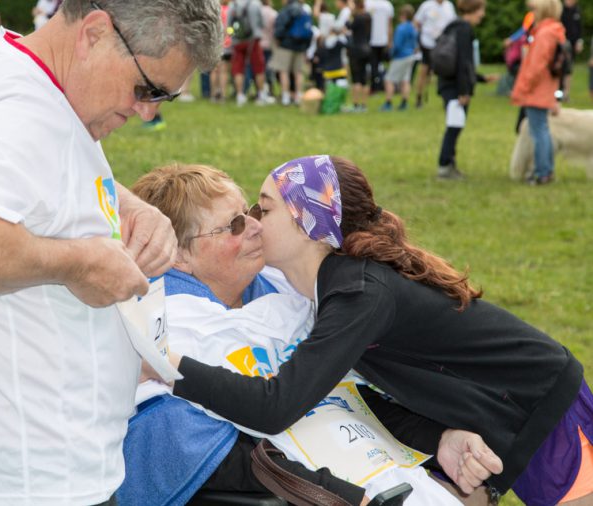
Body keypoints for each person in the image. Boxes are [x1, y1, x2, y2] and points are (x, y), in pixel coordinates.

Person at [0, 1, 222, 505]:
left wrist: (128, 204)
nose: (148, 111)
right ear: (94, 33)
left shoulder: (12, 71)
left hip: (34, 461)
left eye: (163, 98)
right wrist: (81, 263)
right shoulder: (21, 111)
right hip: (39, 476)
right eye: (147, 88)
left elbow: (45, 172)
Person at [153, 154, 593, 506]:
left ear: (310, 225)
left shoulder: (355, 294)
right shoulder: (331, 287)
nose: (253, 225)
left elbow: (276, 405)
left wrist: (168, 366)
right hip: (493, 409)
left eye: (262, 210)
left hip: (542, 403)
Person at [435, 0, 496, 180]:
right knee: (454, 126)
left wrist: (482, 78)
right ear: (473, 9)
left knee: (455, 125)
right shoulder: (464, 29)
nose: (482, 14)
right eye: (481, 10)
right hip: (455, 88)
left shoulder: (453, 26)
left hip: (448, 84)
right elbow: (463, 62)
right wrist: (463, 91)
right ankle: (445, 166)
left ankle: (450, 164)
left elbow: (462, 64)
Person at [511, 0, 566, 186]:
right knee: (542, 130)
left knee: (539, 131)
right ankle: (545, 170)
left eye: (534, 9)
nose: (532, 13)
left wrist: (524, 87)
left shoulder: (544, 34)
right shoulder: (553, 31)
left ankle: (542, 172)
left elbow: (536, 66)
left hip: (537, 89)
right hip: (545, 87)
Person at [228, 0, 273, 106]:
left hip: (238, 41)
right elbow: (261, 23)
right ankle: (261, 95)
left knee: (238, 68)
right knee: (258, 67)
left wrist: (233, 36)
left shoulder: (233, 4)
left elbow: (229, 26)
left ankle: (240, 95)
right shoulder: (255, 3)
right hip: (253, 40)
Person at [413, 0, 456, 108]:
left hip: (443, 44)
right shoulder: (427, 5)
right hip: (428, 43)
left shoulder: (449, 6)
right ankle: (419, 97)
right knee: (424, 70)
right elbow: (416, 22)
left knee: (445, 70)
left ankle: (446, 98)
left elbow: (453, 23)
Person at [271, 0, 312, 106]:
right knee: (298, 72)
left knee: (284, 72)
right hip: (301, 46)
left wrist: (279, 40)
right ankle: (299, 96)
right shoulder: (304, 10)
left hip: (286, 45)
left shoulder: (286, 10)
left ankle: (286, 96)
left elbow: (279, 28)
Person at [380, 4, 417, 111]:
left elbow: (397, 45)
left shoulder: (401, 28)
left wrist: (391, 54)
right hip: (411, 56)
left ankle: (388, 103)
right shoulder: (412, 28)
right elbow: (415, 43)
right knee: (405, 80)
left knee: (389, 79)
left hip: (400, 56)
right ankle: (404, 102)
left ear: (403, 15)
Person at [346, 0, 372, 112]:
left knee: (356, 79)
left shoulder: (358, 18)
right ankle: (364, 105)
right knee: (364, 79)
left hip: (356, 50)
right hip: (367, 49)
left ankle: (356, 105)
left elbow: (348, 25)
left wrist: (351, 13)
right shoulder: (368, 17)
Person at [366, 0, 394, 94]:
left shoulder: (368, 3)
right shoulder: (387, 5)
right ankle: (378, 85)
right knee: (378, 65)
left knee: (374, 65)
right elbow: (390, 25)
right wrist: (390, 40)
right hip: (382, 40)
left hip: (373, 40)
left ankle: (376, 86)